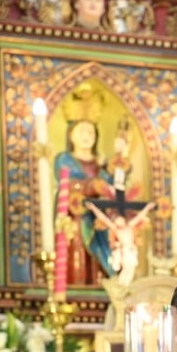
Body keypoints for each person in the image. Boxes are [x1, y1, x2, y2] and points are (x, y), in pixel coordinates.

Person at [55, 117, 116, 285]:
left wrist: (111, 170)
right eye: (82, 131)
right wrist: (91, 186)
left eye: (90, 132)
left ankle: (102, 284)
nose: (86, 136)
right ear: (71, 135)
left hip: (99, 217)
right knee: (77, 248)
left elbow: (110, 188)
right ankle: (77, 283)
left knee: (105, 253)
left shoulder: (101, 163)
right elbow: (67, 183)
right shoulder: (65, 159)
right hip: (76, 215)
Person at [86, 200, 155, 287]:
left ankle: (124, 286)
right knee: (127, 269)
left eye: (119, 219)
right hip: (125, 250)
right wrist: (93, 208)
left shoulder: (129, 226)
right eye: (116, 220)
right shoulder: (117, 229)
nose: (118, 220)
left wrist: (148, 207)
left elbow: (140, 217)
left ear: (123, 220)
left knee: (131, 269)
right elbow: (103, 218)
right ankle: (121, 286)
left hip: (131, 250)